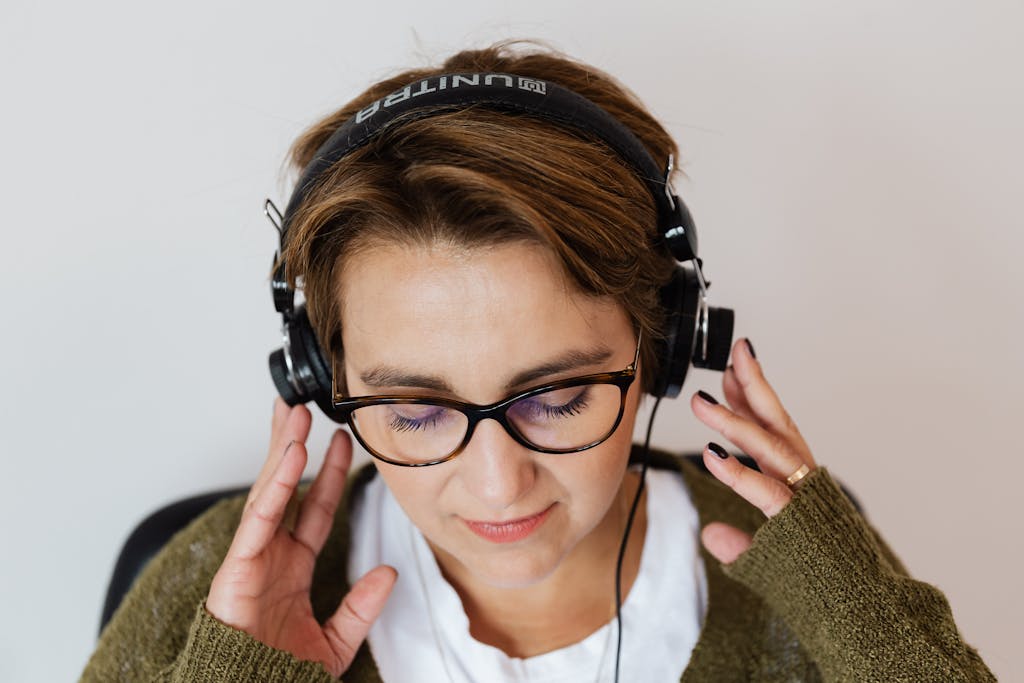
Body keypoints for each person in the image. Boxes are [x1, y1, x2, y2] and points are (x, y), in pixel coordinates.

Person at [80, 40, 995, 682]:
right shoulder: (210, 584)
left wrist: (867, 625)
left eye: (555, 398)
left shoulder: (814, 580)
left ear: (658, 349)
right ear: (326, 380)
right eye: (414, 409)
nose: (496, 484)